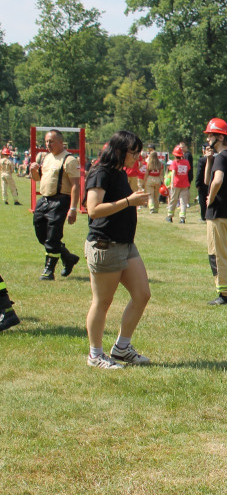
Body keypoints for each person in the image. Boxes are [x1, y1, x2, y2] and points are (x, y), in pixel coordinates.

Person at [83, 130, 153, 369]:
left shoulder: (118, 172)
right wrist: (128, 202)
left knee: (142, 294)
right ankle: (95, 354)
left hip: (125, 244)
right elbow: (93, 209)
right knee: (102, 301)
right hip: (105, 244)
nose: (137, 158)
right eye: (134, 153)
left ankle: (122, 348)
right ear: (121, 151)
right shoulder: (100, 172)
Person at [29, 130, 81, 281]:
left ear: (60, 142)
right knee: (42, 235)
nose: (48, 144)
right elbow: (39, 178)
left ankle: (48, 270)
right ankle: (68, 257)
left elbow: (75, 185)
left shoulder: (69, 159)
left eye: (51, 141)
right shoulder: (46, 158)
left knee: (53, 236)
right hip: (44, 200)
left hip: (59, 201)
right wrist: (33, 171)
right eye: (46, 141)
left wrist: (73, 208)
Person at [203, 117, 227, 305]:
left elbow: (215, 181)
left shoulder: (221, 158)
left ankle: (224, 295)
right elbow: (207, 180)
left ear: (219, 137)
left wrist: (210, 197)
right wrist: (209, 159)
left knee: (217, 253)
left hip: (217, 213)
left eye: (210, 136)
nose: (208, 139)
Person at [166, 145, 191, 224]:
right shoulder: (186, 162)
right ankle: (182, 218)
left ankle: (170, 216)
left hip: (176, 184)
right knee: (183, 201)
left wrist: (172, 183)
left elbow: (173, 173)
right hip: (185, 184)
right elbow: (188, 171)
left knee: (173, 199)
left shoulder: (174, 163)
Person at [142, 146, 162, 214]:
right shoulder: (160, 164)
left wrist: (144, 181)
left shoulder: (149, 163)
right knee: (156, 195)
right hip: (157, 179)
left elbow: (147, 173)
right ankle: (156, 209)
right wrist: (163, 181)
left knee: (150, 195)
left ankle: (151, 208)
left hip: (150, 179)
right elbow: (161, 174)